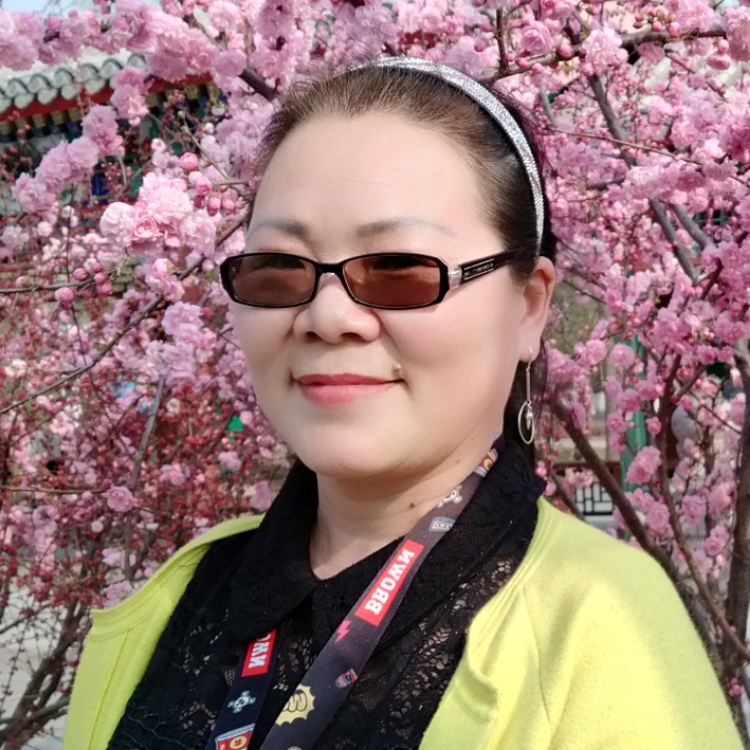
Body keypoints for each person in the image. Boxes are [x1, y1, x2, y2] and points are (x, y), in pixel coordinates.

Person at [62, 57, 743, 750]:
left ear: (530, 305)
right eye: (279, 269)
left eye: (399, 270)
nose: (328, 317)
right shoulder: (173, 599)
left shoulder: (603, 632)